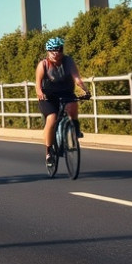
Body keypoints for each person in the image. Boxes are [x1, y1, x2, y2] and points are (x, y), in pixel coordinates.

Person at [35, 36, 90, 166]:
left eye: (58, 50)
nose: (56, 53)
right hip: (48, 96)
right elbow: (37, 85)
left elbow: (77, 79)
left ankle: (74, 128)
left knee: (72, 106)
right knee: (52, 118)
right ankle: (49, 152)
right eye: (52, 50)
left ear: (62, 50)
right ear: (48, 51)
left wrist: (85, 90)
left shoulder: (68, 61)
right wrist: (40, 93)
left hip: (65, 92)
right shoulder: (43, 65)